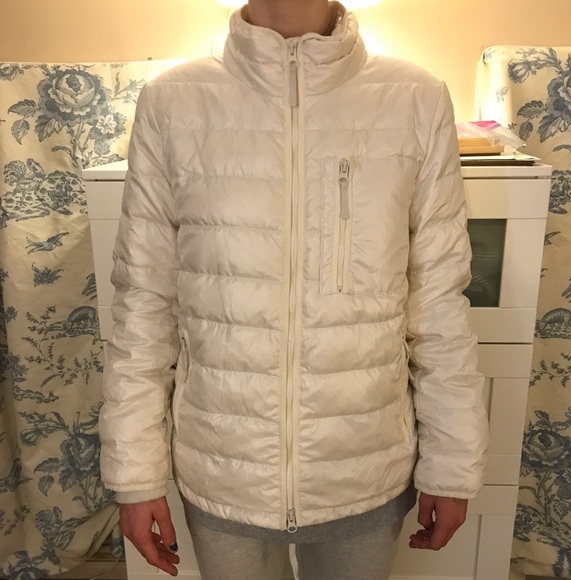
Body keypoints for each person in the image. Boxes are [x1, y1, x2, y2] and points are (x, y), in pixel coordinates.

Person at [98, 1, 488, 578]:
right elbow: (143, 306)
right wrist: (134, 476)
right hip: (223, 468)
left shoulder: (415, 98)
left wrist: (451, 466)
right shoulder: (173, 102)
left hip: (363, 464)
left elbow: (438, 305)